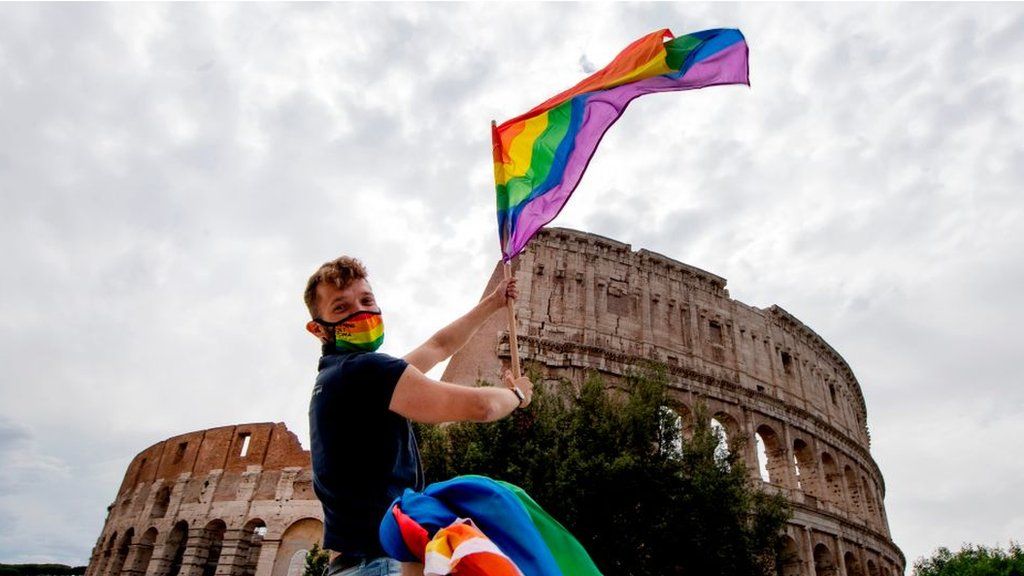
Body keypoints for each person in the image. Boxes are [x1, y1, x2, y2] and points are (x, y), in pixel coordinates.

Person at [303, 256, 533, 576]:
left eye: (366, 300)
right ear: (318, 329)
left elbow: (437, 347)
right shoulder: (365, 372)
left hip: (349, 566)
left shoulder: (337, 379)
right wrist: (517, 395)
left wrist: (492, 303)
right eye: (341, 307)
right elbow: (482, 407)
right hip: (380, 564)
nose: (361, 312)